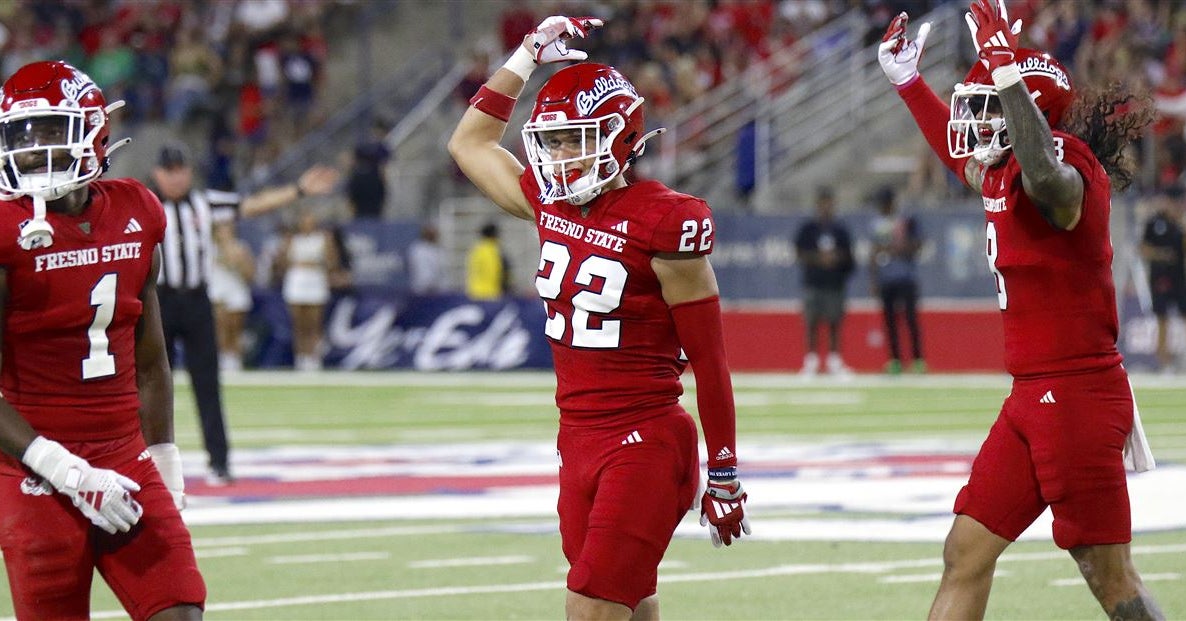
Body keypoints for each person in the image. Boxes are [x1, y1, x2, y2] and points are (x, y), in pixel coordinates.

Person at [448, 15, 750, 620]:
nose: (560, 156)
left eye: (576, 139)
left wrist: (723, 473)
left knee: (589, 608)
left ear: (620, 137)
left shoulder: (666, 220)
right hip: (576, 440)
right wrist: (528, 55)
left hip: (645, 440)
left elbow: (712, 363)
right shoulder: (549, 203)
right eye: (553, 142)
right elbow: (470, 143)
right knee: (630, 603)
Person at [879, 2, 1164, 619]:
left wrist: (1008, 72)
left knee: (1112, 581)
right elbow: (964, 157)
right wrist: (908, 83)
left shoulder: (1069, 172)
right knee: (965, 552)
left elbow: (1048, 179)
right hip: (1032, 397)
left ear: (1026, 109)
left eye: (990, 107)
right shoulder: (1004, 170)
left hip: (1079, 398)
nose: (974, 123)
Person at [0, 60, 205, 619]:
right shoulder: (4, 231)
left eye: (49, 131)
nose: (31, 149)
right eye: (20, 134)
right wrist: (66, 471)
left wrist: (164, 463)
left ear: (94, 132)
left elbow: (151, 358)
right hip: (30, 466)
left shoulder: (136, 210)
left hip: (124, 452)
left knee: (179, 608)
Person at [150, 141, 338, 484]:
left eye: (180, 171)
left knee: (207, 384)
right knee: (150, 387)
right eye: (169, 172)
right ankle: (147, 464)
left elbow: (250, 205)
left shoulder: (205, 202)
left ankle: (219, 462)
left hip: (196, 300)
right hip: (158, 302)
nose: (176, 178)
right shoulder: (145, 205)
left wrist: (297, 190)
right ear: (157, 174)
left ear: (188, 172)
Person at [794, 186, 854, 376]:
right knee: (812, 322)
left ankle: (834, 360)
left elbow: (849, 256)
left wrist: (835, 259)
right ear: (818, 205)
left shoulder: (840, 230)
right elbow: (799, 252)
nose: (826, 208)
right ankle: (811, 360)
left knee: (834, 322)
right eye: (823, 204)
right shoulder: (808, 229)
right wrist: (818, 259)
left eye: (830, 204)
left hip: (835, 283)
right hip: (814, 282)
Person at [869, 185, 925, 374]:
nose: (882, 207)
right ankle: (895, 360)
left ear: (892, 202)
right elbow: (873, 252)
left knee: (910, 320)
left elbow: (918, 244)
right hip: (887, 278)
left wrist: (901, 248)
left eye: (885, 203)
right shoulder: (876, 223)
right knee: (890, 322)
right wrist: (874, 280)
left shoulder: (906, 220)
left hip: (905, 276)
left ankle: (917, 359)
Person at [276, 208, 341, 371]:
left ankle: (313, 358)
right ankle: (301, 357)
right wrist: (286, 246)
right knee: (299, 324)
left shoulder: (322, 239)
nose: (307, 224)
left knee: (314, 323)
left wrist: (323, 253)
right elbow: (282, 265)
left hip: (315, 283)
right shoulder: (292, 240)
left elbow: (332, 263)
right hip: (296, 283)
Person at [1139, 185, 1186, 373]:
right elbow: (1143, 248)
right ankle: (1164, 362)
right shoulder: (1154, 222)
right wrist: (1162, 255)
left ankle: (1182, 360)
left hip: (1179, 277)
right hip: (1159, 277)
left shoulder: (1179, 225)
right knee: (1162, 319)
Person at [209, 222, 255, 371]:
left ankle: (235, 363)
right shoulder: (209, 248)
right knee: (220, 329)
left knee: (235, 329)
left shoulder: (241, 248)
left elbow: (250, 275)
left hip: (237, 291)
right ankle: (221, 363)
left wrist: (236, 262)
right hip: (217, 291)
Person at [465, 221, 510, 300]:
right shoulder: (493, 250)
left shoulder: (476, 249)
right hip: (490, 293)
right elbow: (494, 272)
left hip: (474, 292)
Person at [408, 221, 446, 295]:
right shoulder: (418, 249)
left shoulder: (438, 250)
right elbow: (422, 272)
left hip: (439, 291)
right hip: (422, 291)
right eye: (431, 233)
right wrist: (428, 285)